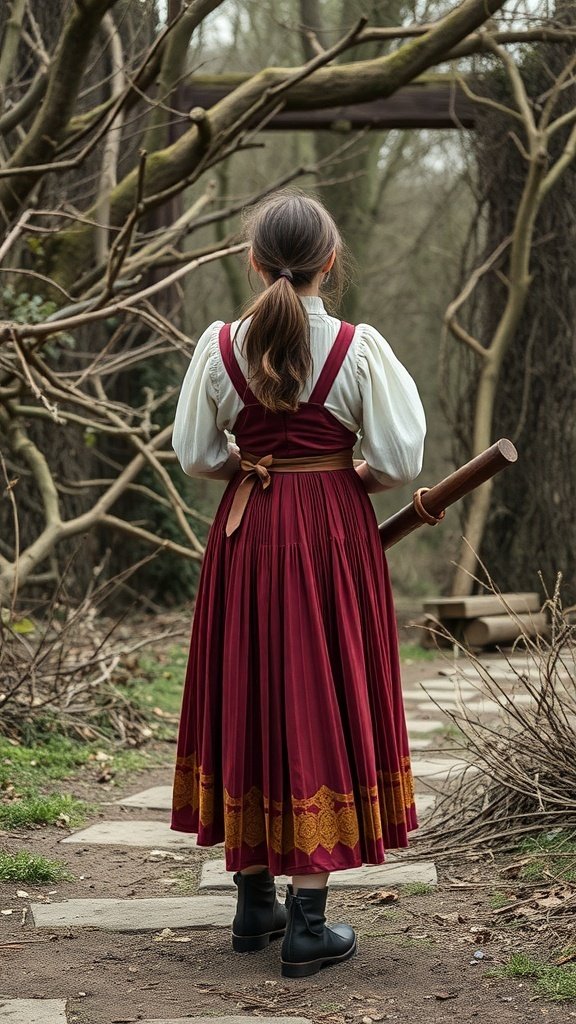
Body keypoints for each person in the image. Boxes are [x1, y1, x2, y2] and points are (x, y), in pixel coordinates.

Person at [171, 190, 426, 979]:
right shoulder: (360, 347)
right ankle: (304, 924)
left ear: (253, 261)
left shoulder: (220, 346)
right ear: (331, 262)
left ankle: (253, 899)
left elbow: (194, 454)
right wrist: (351, 473)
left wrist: (251, 463)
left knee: (251, 688)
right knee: (320, 694)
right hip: (330, 540)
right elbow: (399, 461)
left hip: (248, 536)